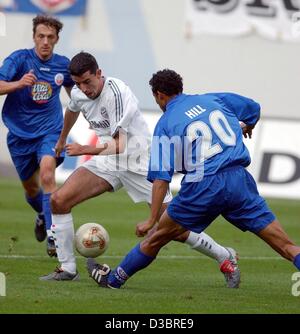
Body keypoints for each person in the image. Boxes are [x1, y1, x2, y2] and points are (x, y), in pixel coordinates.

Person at [86, 69, 300, 290]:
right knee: (286, 246)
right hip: (239, 181)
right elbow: (253, 108)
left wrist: (151, 220)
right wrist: (249, 126)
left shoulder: (165, 124)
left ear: (159, 95)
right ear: (180, 88)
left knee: (157, 237)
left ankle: (113, 280)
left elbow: (161, 179)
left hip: (202, 184)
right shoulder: (212, 99)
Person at [40, 53, 240, 287]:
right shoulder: (78, 92)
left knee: (173, 228)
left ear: (98, 73)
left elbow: (120, 144)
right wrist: (62, 139)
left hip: (139, 161)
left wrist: (84, 148)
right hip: (108, 160)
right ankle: (67, 268)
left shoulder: (118, 93)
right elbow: (73, 108)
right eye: (79, 84)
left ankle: (224, 256)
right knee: (59, 200)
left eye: (88, 82)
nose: (84, 89)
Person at [0, 15, 74, 257]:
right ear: (34, 37)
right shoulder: (19, 60)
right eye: (41, 36)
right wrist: (19, 84)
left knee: (47, 173)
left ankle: (53, 236)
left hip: (50, 131)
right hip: (20, 135)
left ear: (57, 39)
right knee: (32, 190)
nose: (45, 41)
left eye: (50, 37)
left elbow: (77, 94)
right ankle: (42, 214)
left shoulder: (64, 65)